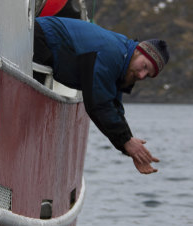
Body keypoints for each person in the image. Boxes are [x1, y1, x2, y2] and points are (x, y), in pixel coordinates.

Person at [33, 16, 169, 174]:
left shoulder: (123, 60)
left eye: (147, 75)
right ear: (138, 51)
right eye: (144, 66)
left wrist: (129, 144)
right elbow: (98, 104)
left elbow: (113, 106)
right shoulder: (112, 53)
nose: (141, 75)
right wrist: (126, 141)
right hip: (41, 37)